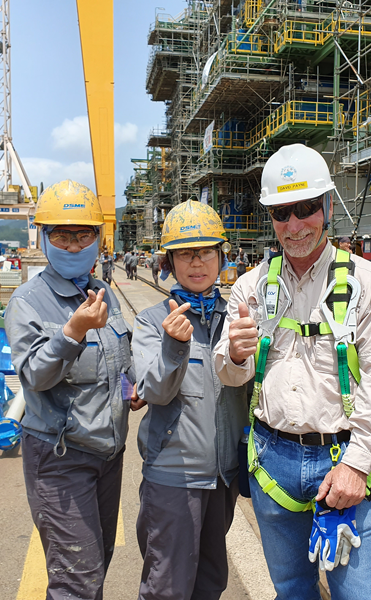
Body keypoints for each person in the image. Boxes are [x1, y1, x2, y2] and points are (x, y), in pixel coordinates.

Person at [214, 144, 371, 599]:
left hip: (342, 460)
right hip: (272, 461)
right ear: (271, 217)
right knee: (292, 590)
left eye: (306, 209)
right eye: (283, 213)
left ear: (328, 206)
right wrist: (237, 355)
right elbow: (228, 373)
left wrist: (358, 465)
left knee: (359, 594)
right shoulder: (252, 285)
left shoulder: (369, 283)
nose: (295, 225)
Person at [4, 180, 138, 600]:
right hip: (60, 460)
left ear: (98, 238)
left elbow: (120, 359)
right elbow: (35, 377)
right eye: (62, 234)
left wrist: (132, 386)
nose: (74, 244)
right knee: (75, 580)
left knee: (96, 563)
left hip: (108, 455)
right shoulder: (28, 301)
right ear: (43, 236)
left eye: (84, 234)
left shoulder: (103, 294)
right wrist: (72, 333)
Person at [133, 201, 246, 600]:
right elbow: (156, 391)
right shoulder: (151, 321)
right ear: (169, 261)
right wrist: (174, 346)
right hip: (173, 477)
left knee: (212, 581)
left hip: (222, 477)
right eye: (185, 253)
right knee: (167, 587)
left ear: (221, 257)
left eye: (206, 252)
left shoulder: (236, 317)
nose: (197, 263)